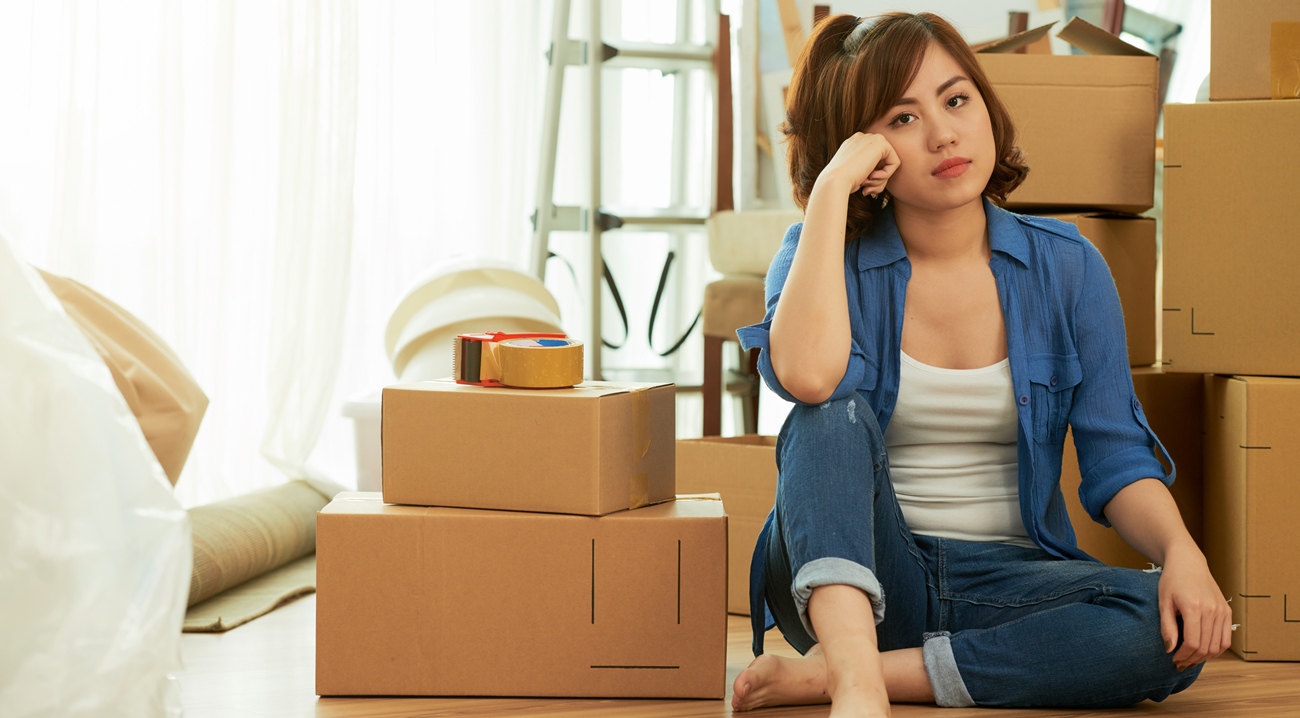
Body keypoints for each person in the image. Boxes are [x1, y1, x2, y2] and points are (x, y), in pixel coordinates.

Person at [729, 12, 1231, 716]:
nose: (943, 134)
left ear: (986, 107)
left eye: (956, 99)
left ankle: (847, 676)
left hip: (1007, 582)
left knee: (1161, 623)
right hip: (863, 577)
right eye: (902, 119)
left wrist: (1183, 552)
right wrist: (829, 191)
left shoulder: (1067, 268)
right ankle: (854, 671)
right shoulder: (818, 253)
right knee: (828, 416)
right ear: (865, 149)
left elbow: (1116, 456)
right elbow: (810, 383)